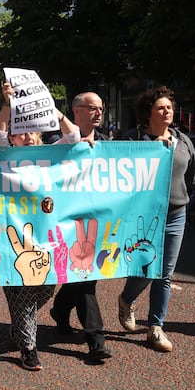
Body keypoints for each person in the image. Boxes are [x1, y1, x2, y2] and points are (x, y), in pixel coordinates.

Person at [0, 81, 81, 371]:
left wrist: (52, 111)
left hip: (46, 239)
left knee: (45, 287)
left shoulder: (50, 153)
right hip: (13, 239)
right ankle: (28, 349)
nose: (30, 137)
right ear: (14, 136)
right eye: (23, 132)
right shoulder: (4, 156)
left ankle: (22, 330)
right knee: (22, 293)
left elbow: (74, 136)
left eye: (34, 131)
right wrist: (8, 104)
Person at [118, 86, 195, 352]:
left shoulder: (183, 141)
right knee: (145, 269)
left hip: (176, 215)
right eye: (160, 108)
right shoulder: (135, 143)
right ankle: (126, 298)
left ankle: (156, 327)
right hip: (144, 217)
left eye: (169, 107)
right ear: (148, 113)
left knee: (164, 273)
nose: (167, 111)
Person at [48, 92, 113, 364]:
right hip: (67, 220)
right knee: (85, 278)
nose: (98, 113)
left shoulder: (109, 144)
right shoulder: (57, 142)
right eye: (92, 108)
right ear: (76, 111)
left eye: (101, 108)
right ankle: (96, 340)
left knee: (85, 276)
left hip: (97, 219)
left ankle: (61, 309)